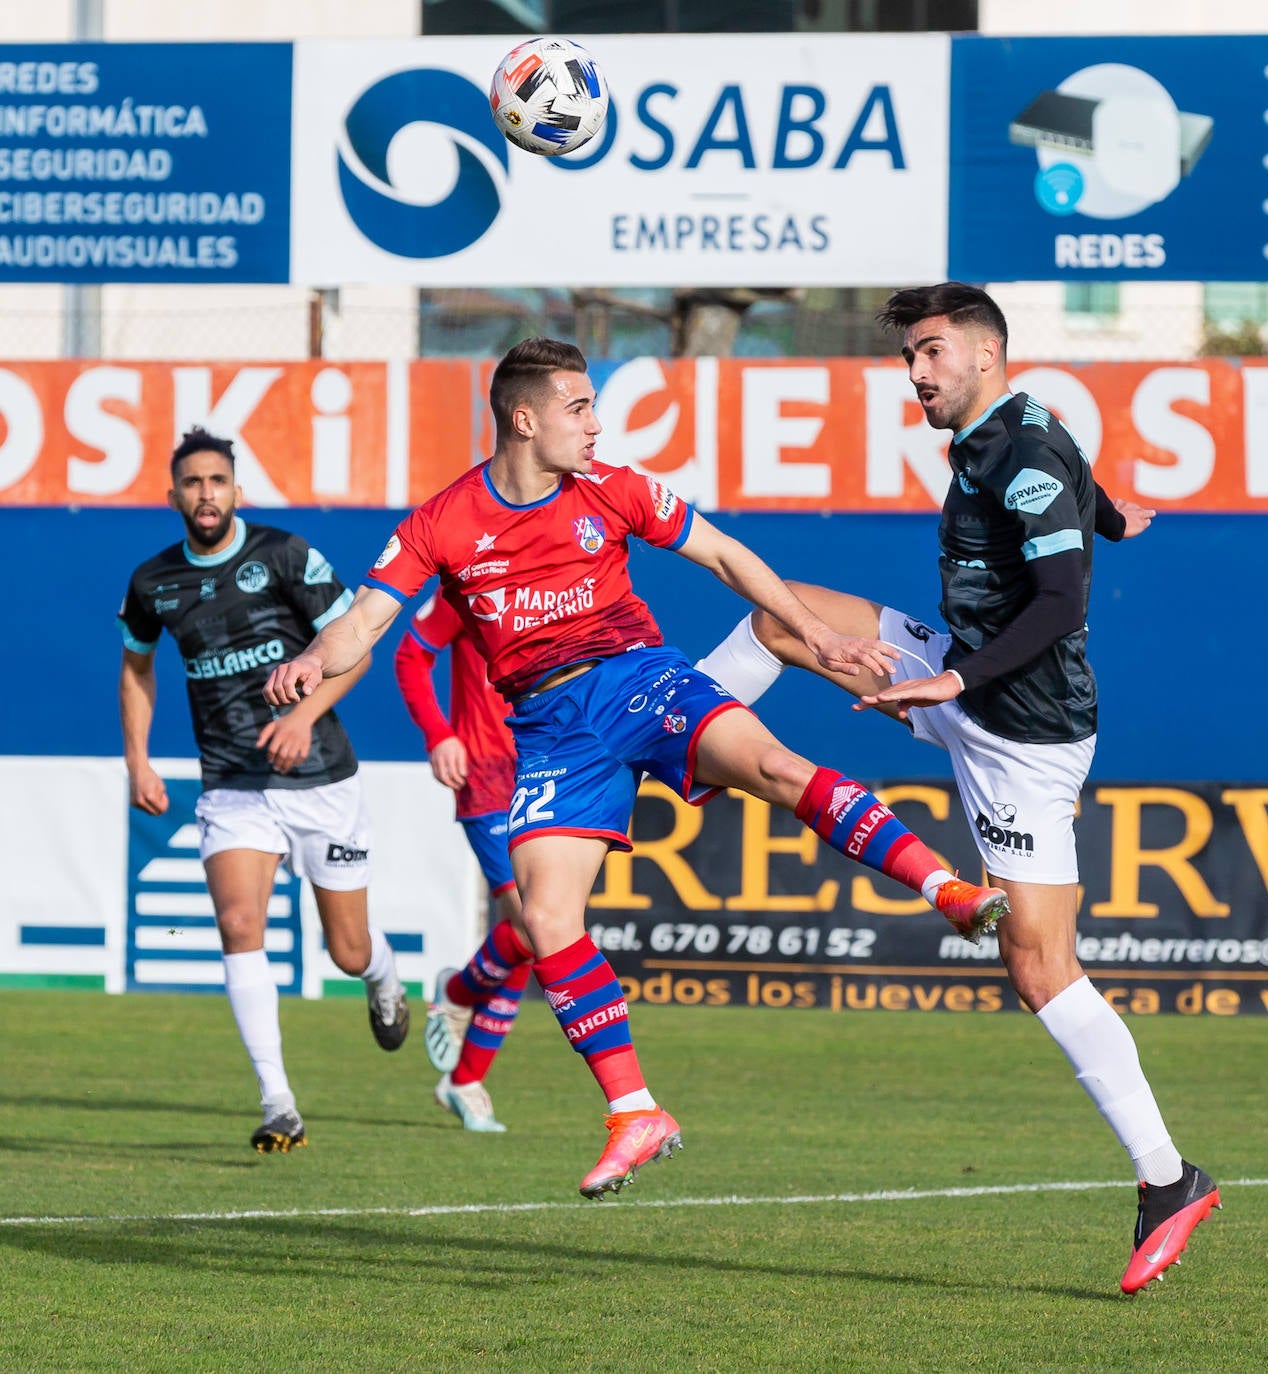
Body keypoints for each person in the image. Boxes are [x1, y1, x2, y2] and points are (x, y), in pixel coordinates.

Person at [263, 336, 1011, 1201]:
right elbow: (366, 622)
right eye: (577, 408)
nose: (594, 424)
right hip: (548, 727)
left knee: (769, 764)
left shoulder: (612, 488)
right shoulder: (442, 521)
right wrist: (315, 660)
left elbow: (727, 556)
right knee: (545, 918)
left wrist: (817, 634)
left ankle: (944, 888)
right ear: (524, 418)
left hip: (639, 678)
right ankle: (634, 1111)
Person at [696, 282, 1219, 1294]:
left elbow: (1060, 601)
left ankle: (1169, 1179)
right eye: (908, 357)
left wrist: (955, 677)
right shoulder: (1014, 432)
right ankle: (688, 740)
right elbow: (1080, 494)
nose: (916, 373)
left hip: (1017, 735)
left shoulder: (1020, 452)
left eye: (932, 352)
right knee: (783, 619)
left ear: (985, 352)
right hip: (963, 679)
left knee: (1039, 969)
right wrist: (1116, 516)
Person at [118, 427, 409, 1155]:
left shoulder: (283, 555)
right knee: (240, 922)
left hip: (320, 780)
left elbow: (358, 648)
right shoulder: (154, 582)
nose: (205, 493)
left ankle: (384, 977)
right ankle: (278, 1102)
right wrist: (138, 762)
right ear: (173, 495)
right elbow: (136, 669)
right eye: (192, 483)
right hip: (231, 783)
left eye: (217, 481)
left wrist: (304, 716)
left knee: (345, 950)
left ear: (236, 490)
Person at [394, 596, 534, 1132]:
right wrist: (439, 733)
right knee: (529, 921)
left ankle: (465, 1079)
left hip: (552, 767)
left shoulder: (572, 577)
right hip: (488, 773)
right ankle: (454, 996)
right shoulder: (470, 580)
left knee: (532, 936)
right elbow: (410, 656)